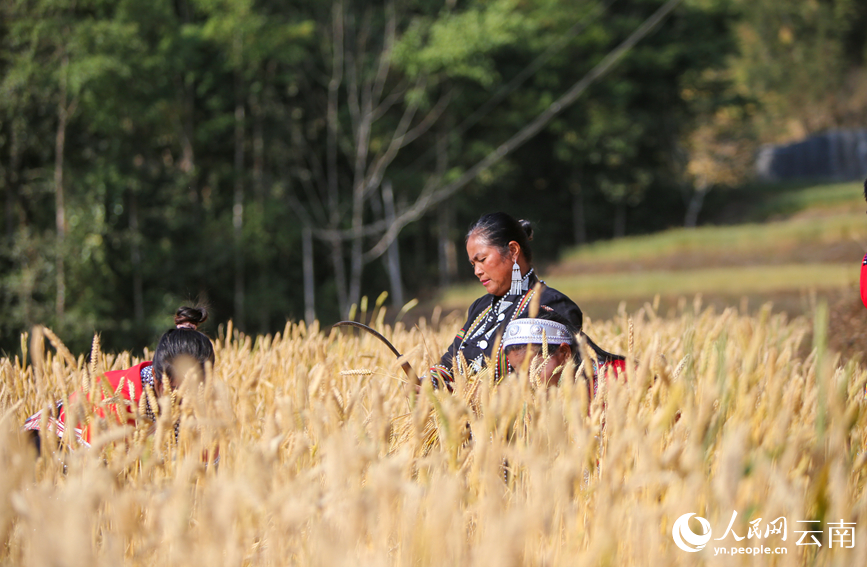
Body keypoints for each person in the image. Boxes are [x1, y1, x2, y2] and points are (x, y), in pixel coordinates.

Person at [429, 212, 621, 389]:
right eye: (473, 264)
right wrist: (429, 383)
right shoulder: (481, 308)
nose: (477, 271)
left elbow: (551, 382)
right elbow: (451, 360)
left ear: (513, 251)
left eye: (482, 259)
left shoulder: (552, 304)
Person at [23, 306, 215, 448]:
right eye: (175, 389)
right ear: (157, 376)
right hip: (49, 449)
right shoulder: (116, 400)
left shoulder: (196, 402)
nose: (183, 398)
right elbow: (97, 470)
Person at [503, 309, 626, 389]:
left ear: (565, 353)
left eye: (533, 371)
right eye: (519, 374)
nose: (526, 384)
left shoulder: (620, 380)